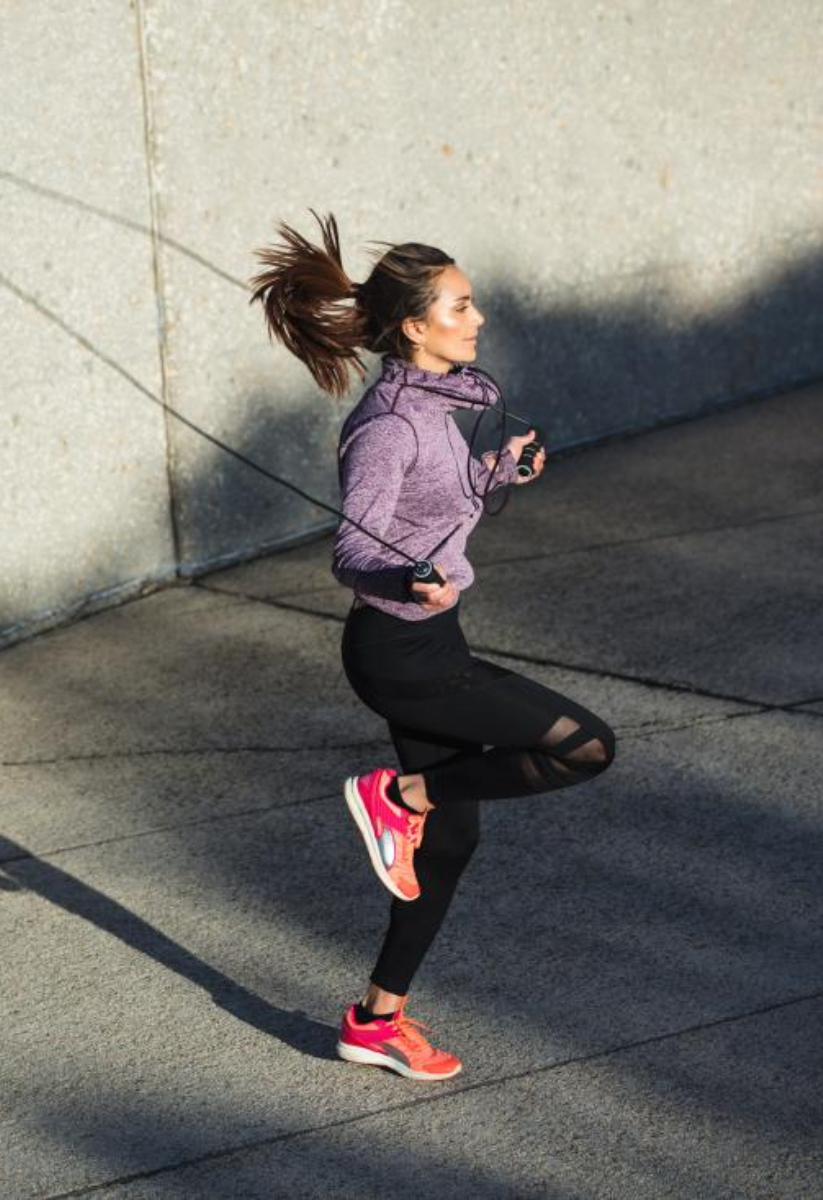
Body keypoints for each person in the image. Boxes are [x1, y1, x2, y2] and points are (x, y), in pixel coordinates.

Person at [249, 212, 618, 1081]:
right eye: (460, 306)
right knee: (586, 746)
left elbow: (453, 489)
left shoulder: (466, 397)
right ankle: (399, 793)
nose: (478, 318)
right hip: (400, 654)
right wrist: (404, 578)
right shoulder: (386, 428)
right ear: (415, 326)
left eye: (473, 301)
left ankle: (376, 1021)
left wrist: (505, 469)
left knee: (450, 848)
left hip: (432, 640)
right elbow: (354, 548)